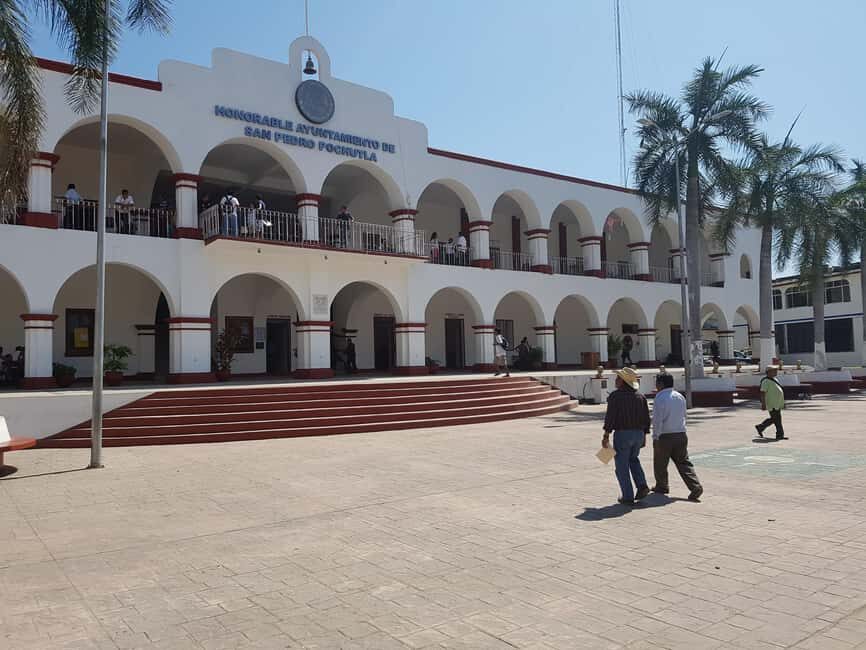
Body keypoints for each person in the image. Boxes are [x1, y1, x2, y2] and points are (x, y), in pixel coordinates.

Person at [602, 367, 651, 506]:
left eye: (618, 378)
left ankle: (627, 496)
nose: (616, 380)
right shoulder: (640, 397)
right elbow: (646, 418)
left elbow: (610, 418)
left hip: (623, 434)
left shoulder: (616, 396)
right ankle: (641, 484)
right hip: (639, 434)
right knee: (634, 459)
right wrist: (645, 436)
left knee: (622, 465)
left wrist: (606, 435)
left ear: (623, 381)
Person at [651, 373, 703, 501]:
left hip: (665, 435)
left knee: (660, 463)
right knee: (683, 462)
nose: (656, 385)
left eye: (657, 382)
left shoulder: (660, 397)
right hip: (680, 433)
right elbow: (684, 415)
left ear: (661, 384)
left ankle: (662, 485)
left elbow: (658, 420)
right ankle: (695, 486)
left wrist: (655, 436)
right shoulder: (680, 396)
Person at [756, 366, 787, 440]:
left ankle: (760, 427)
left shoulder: (775, 379)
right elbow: (762, 393)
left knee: (775, 419)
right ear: (769, 372)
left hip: (777, 403)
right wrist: (763, 404)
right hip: (771, 403)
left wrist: (782, 402)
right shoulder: (765, 381)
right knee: (777, 419)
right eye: (774, 371)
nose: (776, 372)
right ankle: (779, 435)